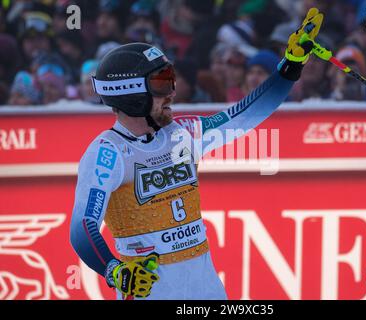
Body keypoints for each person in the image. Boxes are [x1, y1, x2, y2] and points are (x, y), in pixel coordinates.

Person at [70, 7, 324, 300]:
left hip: (207, 292)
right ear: (132, 94)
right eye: (162, 84)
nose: (172, 92)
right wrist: (115, 271)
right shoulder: (109, 152)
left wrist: (290, 66)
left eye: (171, 80)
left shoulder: (182, 134)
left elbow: (244, 116)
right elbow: (82, 227)